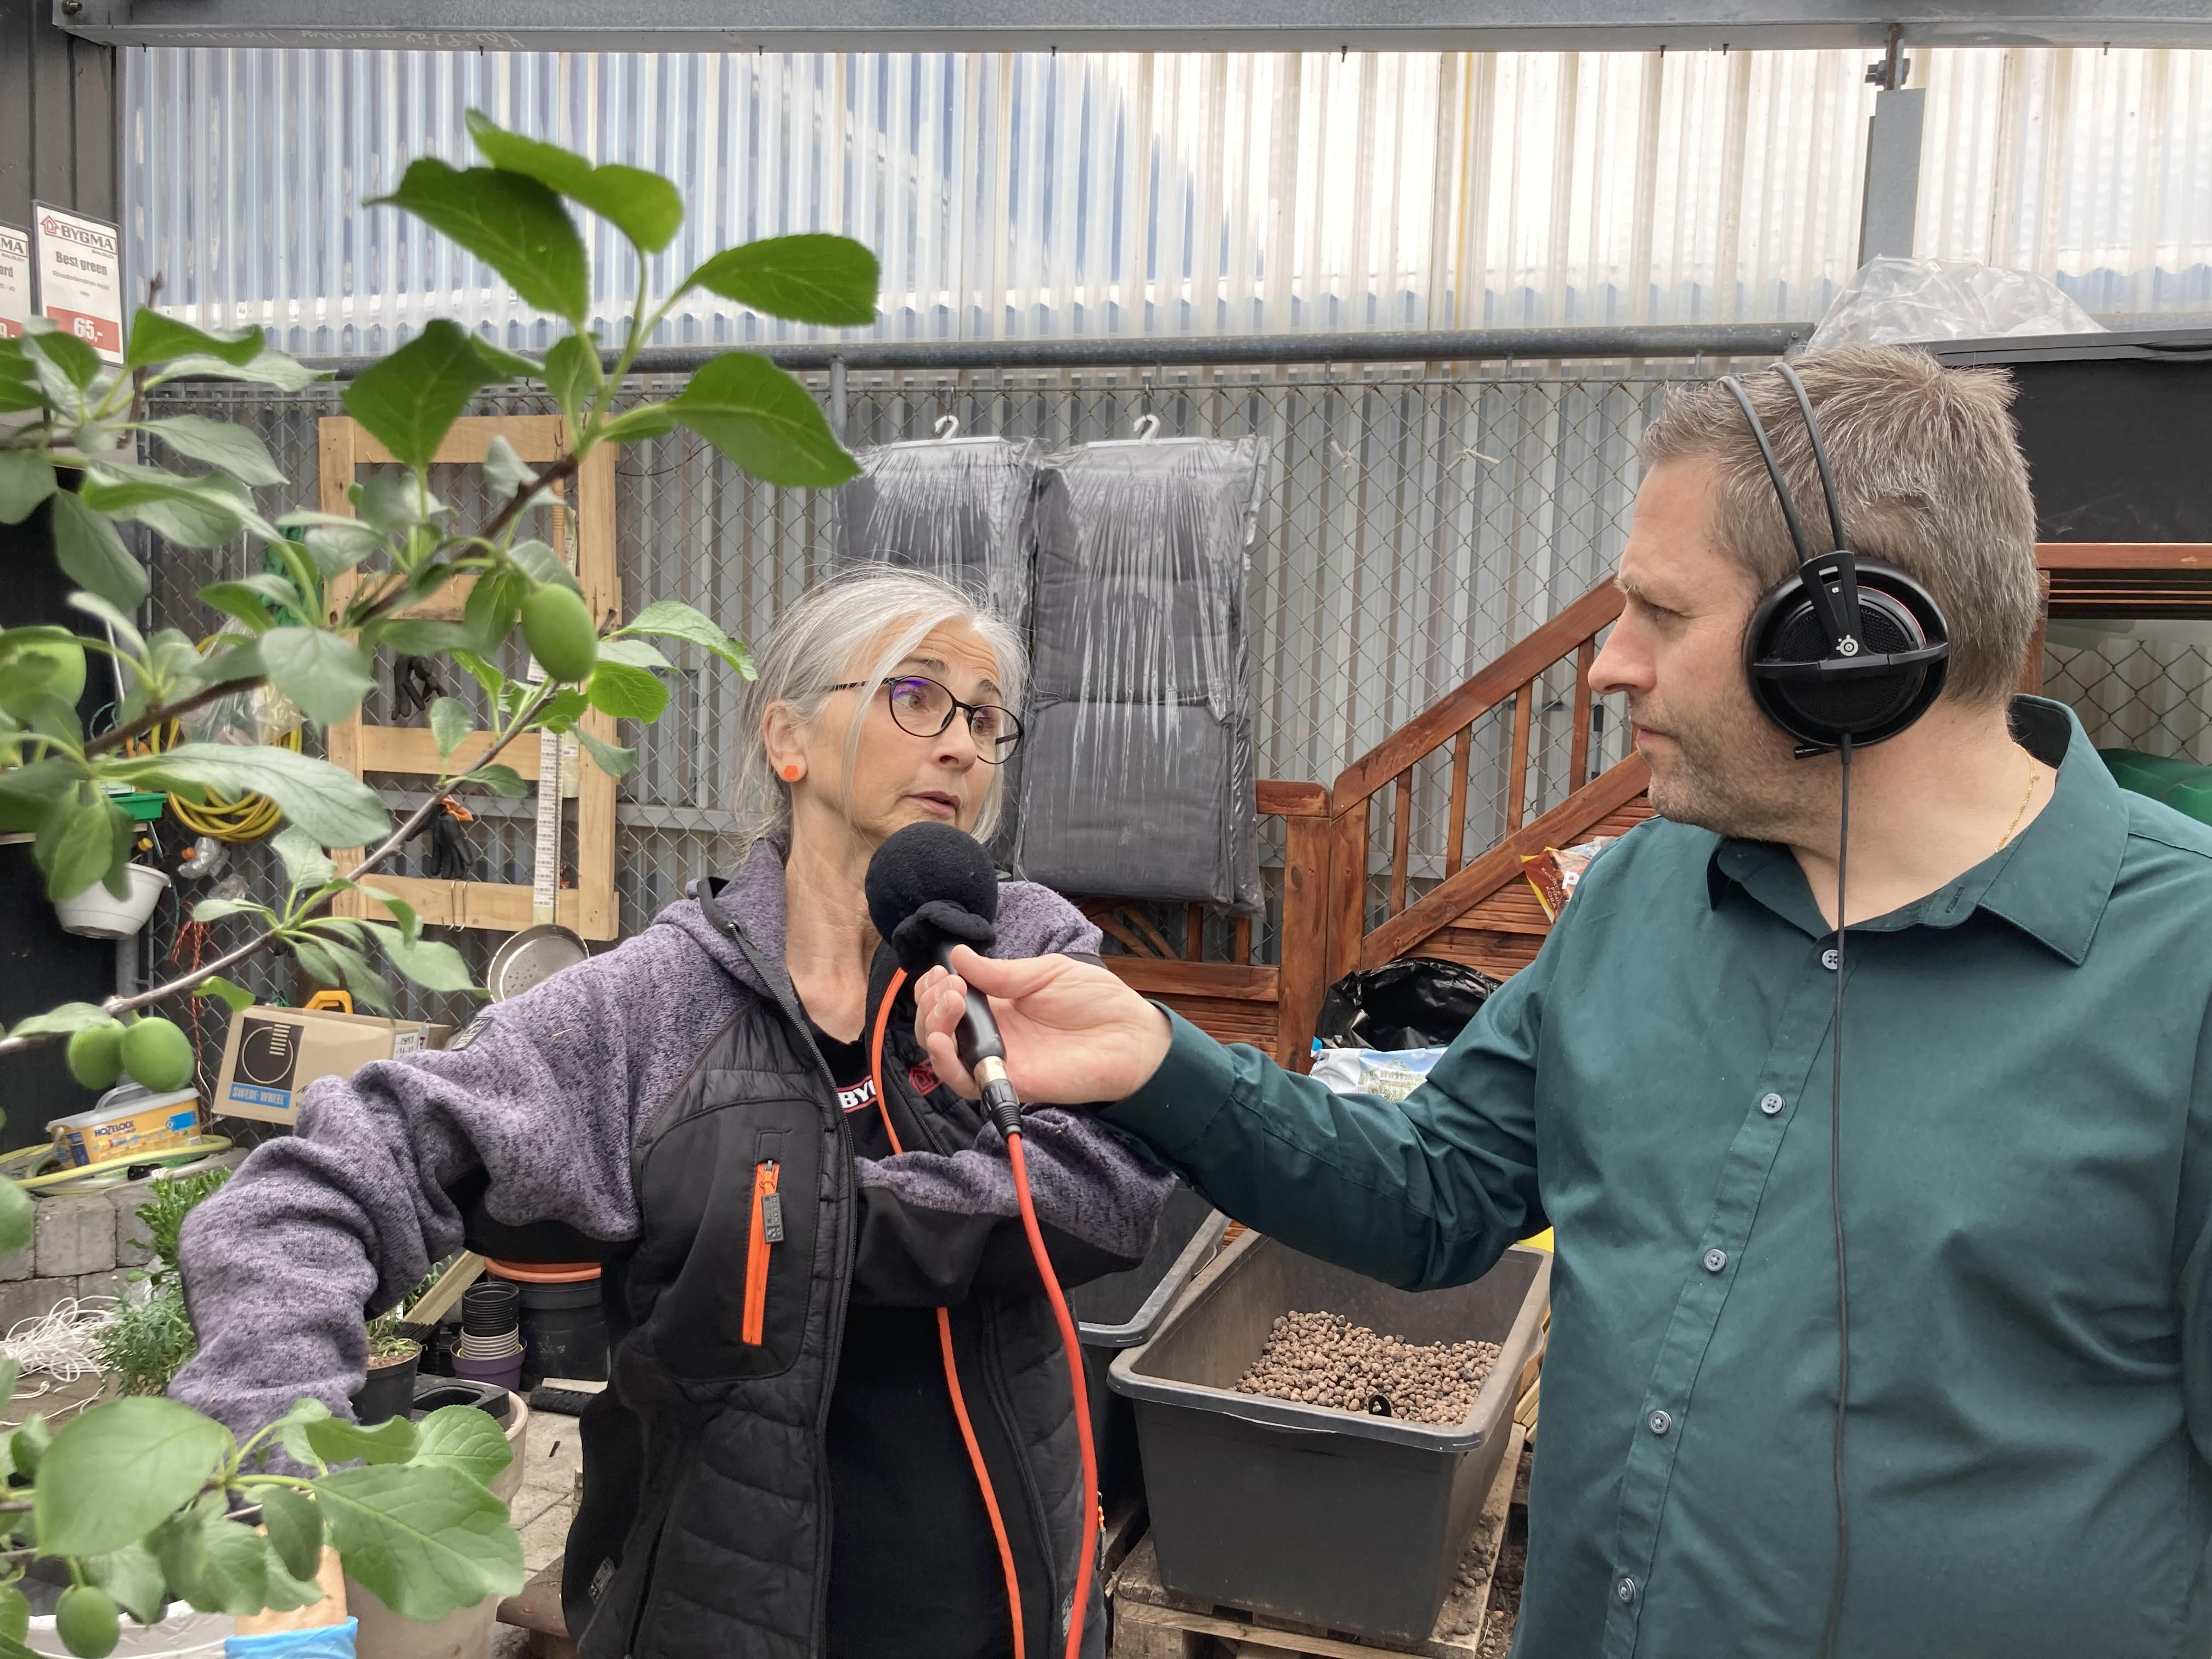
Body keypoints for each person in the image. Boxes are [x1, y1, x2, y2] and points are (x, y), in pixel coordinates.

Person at [917, 346, 2212, 1658]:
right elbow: (1432, 1193)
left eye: (1661, 613)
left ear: (1849, 643)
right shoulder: (1646, 894)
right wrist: (1155, 1059)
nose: (1608, 664)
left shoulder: (2186, 973)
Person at [173, 569, 1171, 1659]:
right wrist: (277, 1491)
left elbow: (1112, 1179)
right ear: (787, 738)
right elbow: (302, 1195)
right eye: (916, 696)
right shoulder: (650, 1007)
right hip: (724, 1617)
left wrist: (794, 1222)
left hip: (1018, 1612)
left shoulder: (1020, 949)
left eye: (984, 718)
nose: (963, 746)